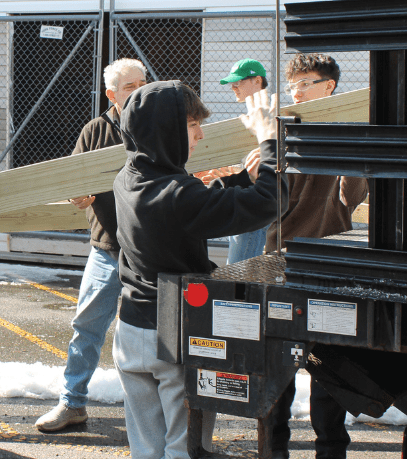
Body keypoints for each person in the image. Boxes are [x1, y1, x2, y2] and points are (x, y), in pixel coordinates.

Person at [112, 81, 287, 459]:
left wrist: (240, 178)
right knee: (185, 448)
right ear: (169, 130)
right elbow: (271, 202)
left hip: (131, 331)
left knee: (146, 448)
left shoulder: (127, 177)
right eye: (192, 126)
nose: (200, 135)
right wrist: (269, 141)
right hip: (174, 335)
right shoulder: (178, 194)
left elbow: (190, 206)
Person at [34, 58, 146, 432]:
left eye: (143, 83)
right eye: (130, 86)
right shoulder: (95, 130)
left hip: (152, 253)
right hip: (107, 249)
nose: (140, 90)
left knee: (154, 335)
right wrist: (75, 195)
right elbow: (74, 182)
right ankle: (72, 404)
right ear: (111, 94)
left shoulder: (161, 124)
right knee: (87, 328)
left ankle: (154, 414)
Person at [267, 53, 368, 459]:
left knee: (329, 370)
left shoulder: (346, 135)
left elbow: (353, 196)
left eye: (305, 83)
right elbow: (265, 199)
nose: (296, 92)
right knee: (278, 371)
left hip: (330, 266)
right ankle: (274, 449)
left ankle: (330, 451)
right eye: (292, 85)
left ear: (329, 87)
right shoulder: (280, 135)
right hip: (281, 263)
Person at [218, 58, 270, 264]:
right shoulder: (252, 115)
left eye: (238, 82)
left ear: (257, 80)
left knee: (240, 272)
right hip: (244, 205)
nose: (233, 87)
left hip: (255, 208)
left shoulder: (268, 115)